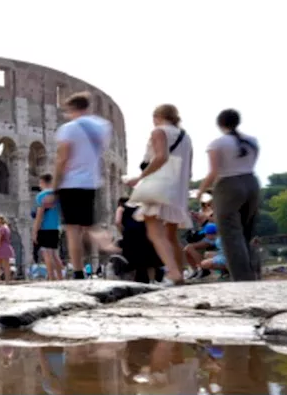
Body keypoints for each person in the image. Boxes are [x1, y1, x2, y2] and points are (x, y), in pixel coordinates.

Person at [124, 104, 192, 286]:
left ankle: (174, 272)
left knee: (155, 232)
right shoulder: (185, 137)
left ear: (157, 117)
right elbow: (188, 167)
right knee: (171, 235)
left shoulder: (159, 132)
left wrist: (139, 177)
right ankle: (180, 275)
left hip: (159, 185)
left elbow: (161, 157)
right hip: (178, 187)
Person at [52, 92, 115, 280]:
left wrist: (55, 184)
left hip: (71, 182)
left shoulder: (69, 129)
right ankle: (111, 246)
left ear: (73, 109)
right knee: (89, 224)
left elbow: (63, 158)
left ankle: (78, 271)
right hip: (91, 182)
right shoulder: (103, 127)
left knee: (73, 230)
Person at [198, 108, 261, 282]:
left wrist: (201, 191)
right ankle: (253, 272)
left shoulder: (217, 143)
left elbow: (214, 171)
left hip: (228, 185)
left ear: (220, 124)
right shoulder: (252, 141)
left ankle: (242, 278)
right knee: (247, 232)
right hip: (252, 183)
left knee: (231, 235)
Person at [32, 174, 64, 281]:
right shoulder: (57, 196)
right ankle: (61, 278)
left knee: (47, 253)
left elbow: (40, 214)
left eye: (40, 183)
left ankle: (51, 278)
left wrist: (35, 231)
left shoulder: (41, 195)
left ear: (42, 182)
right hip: (56, 227)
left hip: (45, 228)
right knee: (55, 254)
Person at [0, 215, 14, 283]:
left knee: (0, 264)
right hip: (7, 246)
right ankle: (6, 280)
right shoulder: (7, 228)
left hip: (2, 247)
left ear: (0, 221)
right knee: (4, 265)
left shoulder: (2, 228)